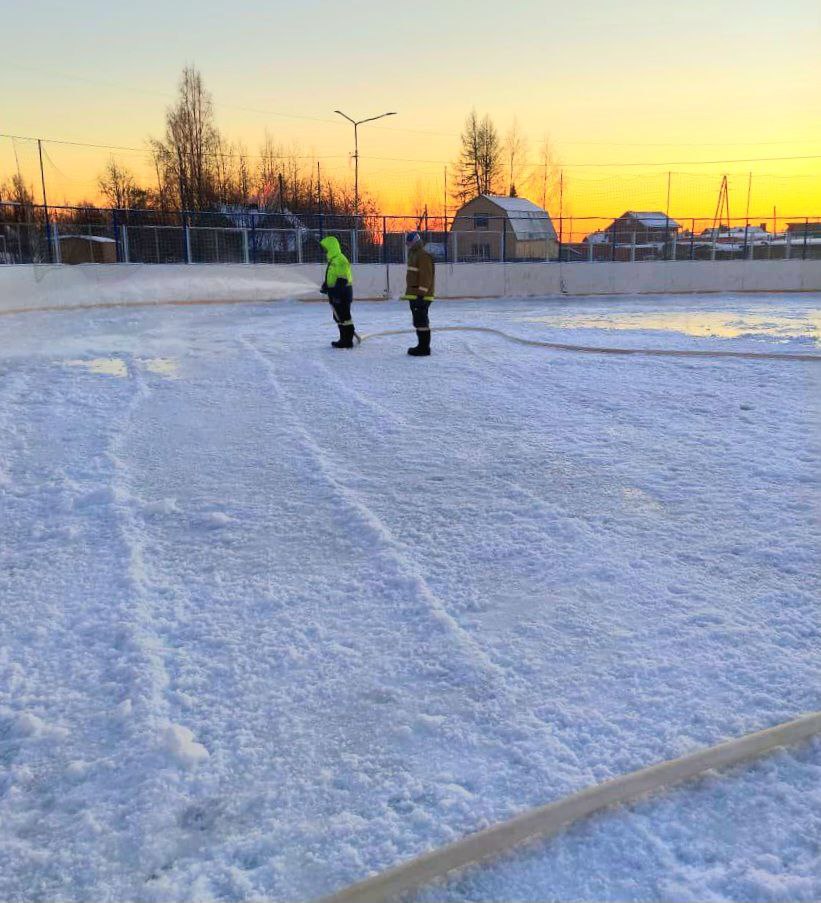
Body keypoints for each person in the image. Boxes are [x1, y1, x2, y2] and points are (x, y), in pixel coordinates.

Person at [319, 235, 356, 349]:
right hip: (336, 292)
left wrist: (336, 293)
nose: (324, 251)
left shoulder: (340, 259)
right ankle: (343, 338)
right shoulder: (333, 260)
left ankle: (348, 341)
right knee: (338, 317)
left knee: (345, 317)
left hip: (342, 293)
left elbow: (342, 279)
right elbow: (333, 276)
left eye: (326, 248)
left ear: (331, 247)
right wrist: (326, 285)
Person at [402, 232, 435, 356]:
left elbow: (426, 277)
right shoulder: (414, 254)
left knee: (421, 321)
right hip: (415, 295)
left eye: (409, 242)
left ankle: (424, 348)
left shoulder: (423, 255)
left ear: (414, 242)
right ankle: (422, 346)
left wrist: (421, 294)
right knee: (418, 321)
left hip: (421, 296)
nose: (407, 245)